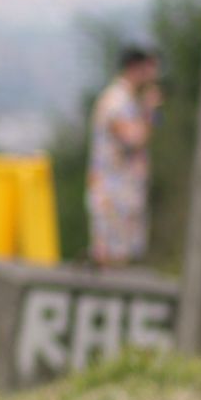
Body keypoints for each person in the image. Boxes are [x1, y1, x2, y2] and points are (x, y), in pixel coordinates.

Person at [86, 47, 162, 268]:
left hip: (123, 193)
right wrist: (149, 111)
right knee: (111, 260)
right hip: (113, 194)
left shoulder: (128, 100)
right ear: (134, 68)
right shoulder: (116, 101)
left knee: (122, 258)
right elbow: (135, 138)